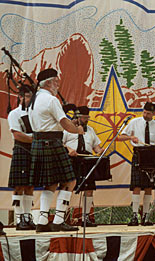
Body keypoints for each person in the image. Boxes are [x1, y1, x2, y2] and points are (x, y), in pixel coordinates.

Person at [28, 68, 84, 232]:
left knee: (50, 183)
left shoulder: (34, 99)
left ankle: (43, 221)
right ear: (50, 83)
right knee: (70, 181)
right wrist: (77, 130)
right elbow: (64, 122)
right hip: (52, 142)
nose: (58, 85)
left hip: (39, 142)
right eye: (56, 81)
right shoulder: (51, 100)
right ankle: (59, 220)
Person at [119, 102, 155, 226]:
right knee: (136, 186)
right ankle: (134, 215)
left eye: (148, 113)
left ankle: (146, 216)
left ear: (153, 114)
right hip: (139, 154)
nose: (145, 115)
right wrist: (131, 138)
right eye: (144, 112)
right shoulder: (134, 122)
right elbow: (120, 137)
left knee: (149, 186)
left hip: (152, 155)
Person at [63, 106, 105, 227]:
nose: (87, 120)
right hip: (72, 159)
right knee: (68, 188)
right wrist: (69, 149)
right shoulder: (67, 129)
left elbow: (96, 147)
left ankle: (86, 217)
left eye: (88, 117)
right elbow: (60, 143)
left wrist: (100, 151)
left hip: (87, 160)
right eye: (84, 118)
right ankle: (64, 216)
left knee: (89, 189)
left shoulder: (90, 130)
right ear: (77, 117)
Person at [7, 84, 35, 230]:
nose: (31, 99)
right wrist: (36, 139)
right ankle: (19, 219)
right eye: (29, 96)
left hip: (34, 151)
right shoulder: (14, 114)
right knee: (19, 186)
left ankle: (27, 217)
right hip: (21, 150)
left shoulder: (35, 113)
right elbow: (17, 135)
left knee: (30, 186)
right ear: (21, 97)